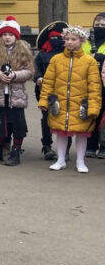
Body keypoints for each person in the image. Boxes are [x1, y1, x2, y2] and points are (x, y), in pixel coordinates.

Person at [39, 26, 102, 173]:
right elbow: (48, 82)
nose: (69, 42)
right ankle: (60, 160)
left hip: (81, 104)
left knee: (81, 133)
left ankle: (80, 161)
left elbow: (95, 86)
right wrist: (44, 101)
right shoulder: (56, 60)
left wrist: (93, 106)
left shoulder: (89, 61)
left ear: (81, 40)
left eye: (73, 39)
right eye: (67, 39)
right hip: (60, 103)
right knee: (61, 132)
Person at [0, 16, 34, 166]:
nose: (7, 37)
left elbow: (29, 71)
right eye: (4, 34)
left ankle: (15, 151)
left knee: (17, 125)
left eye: (10, 34)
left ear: (16, 36)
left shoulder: (23, 51)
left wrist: (15, 75)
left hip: (16, 96)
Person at [34, 22, 67, 160]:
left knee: (65, 119)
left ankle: (65, 149)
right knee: (46, 119)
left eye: (58, 37)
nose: (55, 40)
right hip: (46, 91)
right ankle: (47, 146)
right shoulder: (42, 54)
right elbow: (35, 68)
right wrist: (38, 78)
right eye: (52, 37)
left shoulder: (67, 53)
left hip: (64, 91)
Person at [82, 12, 105, 158]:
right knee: (91, 114)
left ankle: (104, 146)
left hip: (104, 84)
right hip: (88, 83)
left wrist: (102, 59)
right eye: (97, 25)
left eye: (103, 25)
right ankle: (90, 145)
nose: (99, 27)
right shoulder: (86, 41)